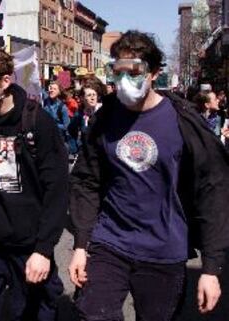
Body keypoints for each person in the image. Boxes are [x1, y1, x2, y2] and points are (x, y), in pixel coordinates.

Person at [69, 30, 229, 321]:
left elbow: (213, 191)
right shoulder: (105, 119)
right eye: (118, 72)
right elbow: (86, 180)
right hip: (110, 241)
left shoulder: (182, 121)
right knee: (92, 313)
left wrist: (211, 268)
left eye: (135, 72)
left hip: (163, 250)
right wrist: (81, 245)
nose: (125, 81)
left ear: (154, 73)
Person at [0, 46, 68, 321]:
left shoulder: (36, 121)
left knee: (31, 313)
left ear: (5, 81)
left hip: (28, 242)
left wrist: (43, 249)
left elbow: (56, 189)